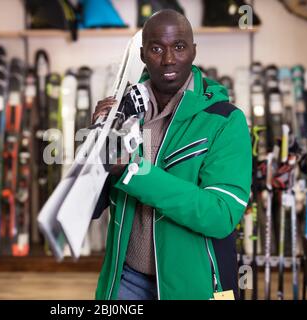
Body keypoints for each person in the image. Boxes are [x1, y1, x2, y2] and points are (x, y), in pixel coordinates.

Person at [92, 9, 252, 300]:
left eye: (178, 47)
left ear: (193, 51)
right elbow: (89, 207)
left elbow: (220, 214)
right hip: (126, 280)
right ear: (142, 54)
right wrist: (95, 140)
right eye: (156, 48)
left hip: (195, 285)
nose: (168, 59)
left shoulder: (225, 120)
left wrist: (132, 171)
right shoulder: (126, 115)